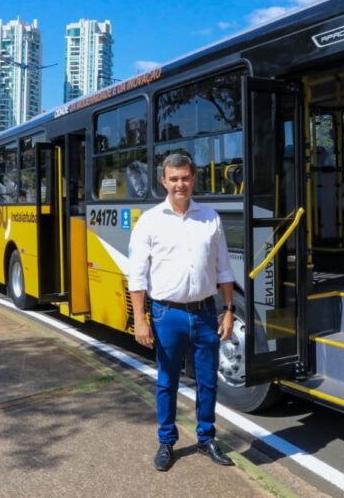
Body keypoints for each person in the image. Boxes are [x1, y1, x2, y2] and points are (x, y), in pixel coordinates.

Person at [128, 153, 236, 472]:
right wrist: (140, 319)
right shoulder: (149, 221)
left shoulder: (210, 218)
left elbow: (225, 269)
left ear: (193, 179)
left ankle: (206, 438)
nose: (180, 184)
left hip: (205, 314)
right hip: (166, 315)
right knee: (167, 381)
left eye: (185, 178)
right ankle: (166, 441)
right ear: (164, 181)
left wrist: (228, 310)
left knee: (208, 381)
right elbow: (137, 276)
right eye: (174, 178)